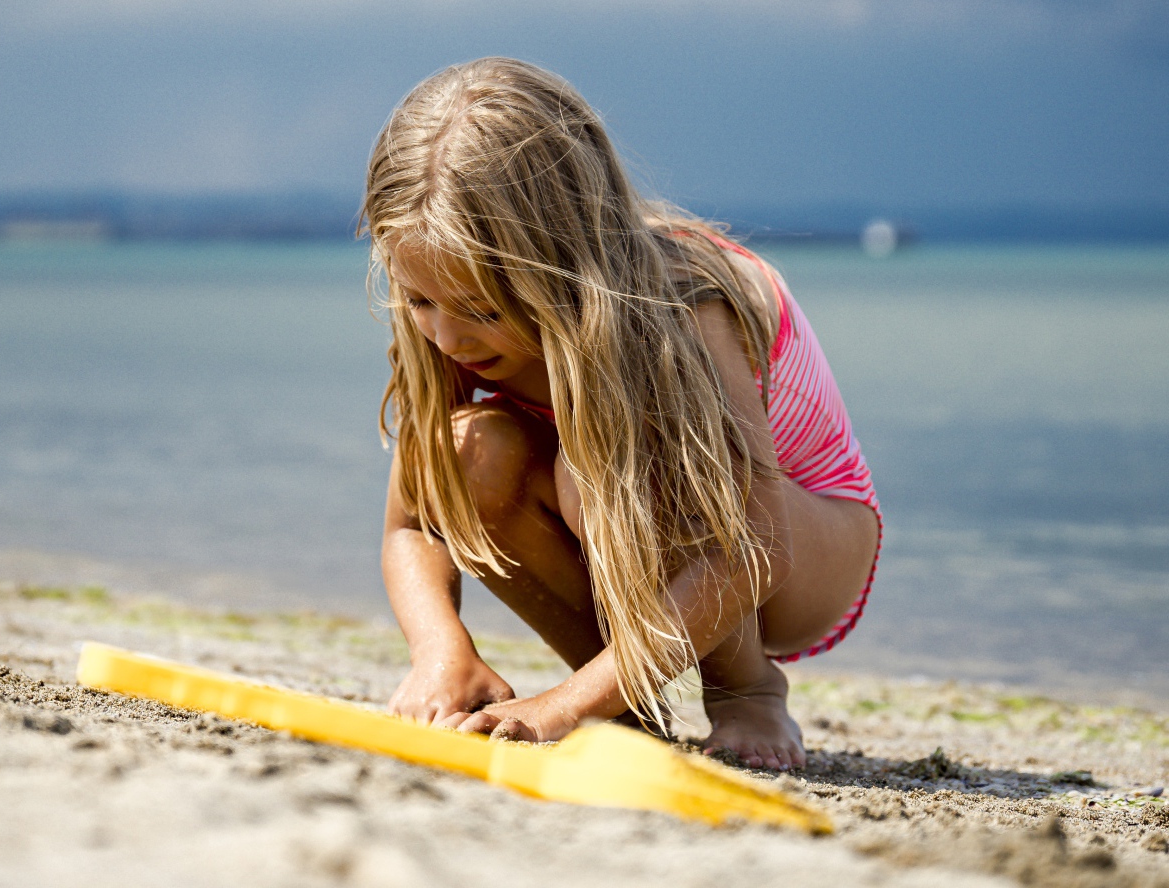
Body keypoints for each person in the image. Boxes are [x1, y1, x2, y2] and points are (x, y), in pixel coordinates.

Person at [362, 57, 881, 770]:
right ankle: (624, 703)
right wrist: (441, 651)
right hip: (637, 528)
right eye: (419, 301)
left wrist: (563, 707)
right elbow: (412, 522)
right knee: (464, 454)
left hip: (801, 551)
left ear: (559, 265)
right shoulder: (450, 291)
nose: (447, 337)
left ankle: (747, 688)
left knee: (601, 458)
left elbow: (753, 544)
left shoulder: (681, 303)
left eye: (481, 310)